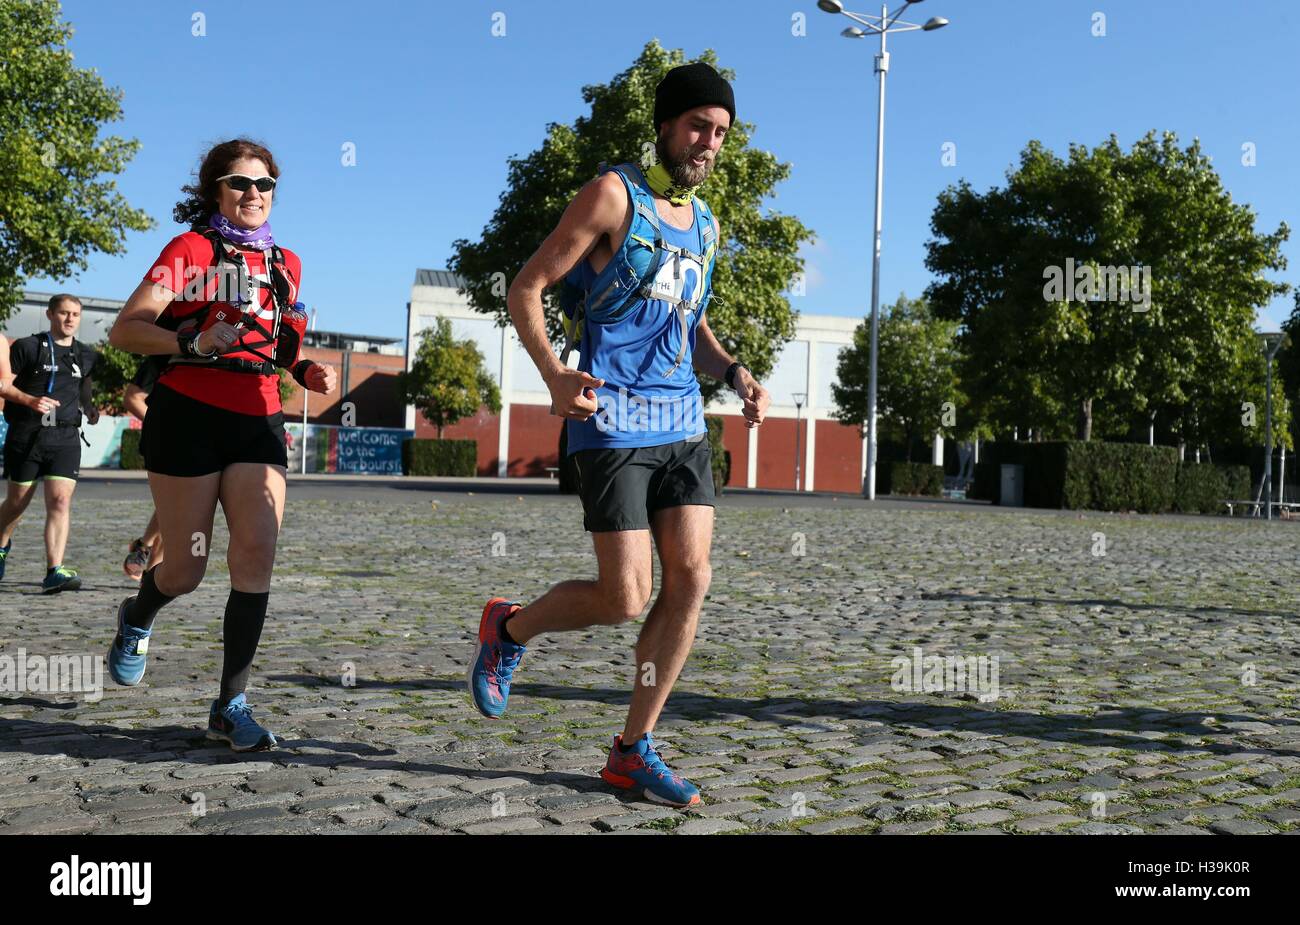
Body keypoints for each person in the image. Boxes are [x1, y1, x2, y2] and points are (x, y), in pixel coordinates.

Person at [470, 63, 770, 807]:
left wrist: (733, 371)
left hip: (681, 421)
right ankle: (510, 629)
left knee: (692, 578)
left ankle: (632, 749)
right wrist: (552, 376)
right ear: (666, 125)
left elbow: (688, 322)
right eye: (698, 125)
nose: (709, 142)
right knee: (626, 595)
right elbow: (526, 287)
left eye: (721, 132)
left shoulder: (707, 225)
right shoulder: (613, 196)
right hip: (611, 421)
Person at [105, 138, 337, 752]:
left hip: (258, 417)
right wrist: (191, 343)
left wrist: (305, 369)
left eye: (264, 185)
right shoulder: (191, 250)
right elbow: (126, 329)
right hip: (188, 414)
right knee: (185, 569)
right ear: (215, 190)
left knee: (256, 553)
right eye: (239, 183)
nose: (253, 194)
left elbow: (277, 346)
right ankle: (138, 614)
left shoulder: (286, 262)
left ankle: (230, 704)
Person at [0, 295, 100, 593]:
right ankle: (2, 545)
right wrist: (30, 400)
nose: (70, 319)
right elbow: (4, 385)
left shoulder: (86, 354)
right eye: (64, 313)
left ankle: (54, 570)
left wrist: (90, 407)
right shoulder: (27, 347)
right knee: (17, 502)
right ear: (50, 314)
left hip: (66, 437)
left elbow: (84, 386)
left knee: (60, 501)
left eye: (76, 314)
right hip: (27, 433)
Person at [121, 357, 166, 579]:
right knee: (177, 509)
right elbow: (131, 398)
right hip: (166, 443)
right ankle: (145, 550)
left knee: (181, 512)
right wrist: (164, 428)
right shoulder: (165, 354)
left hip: (205, 443)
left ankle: (148, 570)